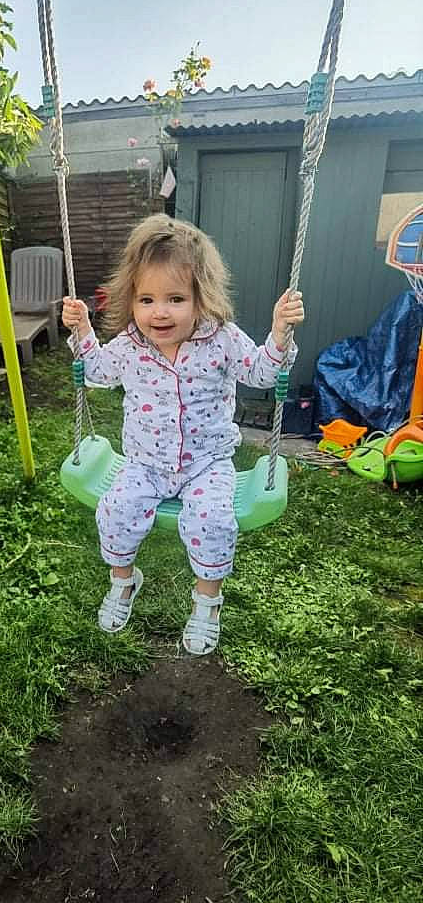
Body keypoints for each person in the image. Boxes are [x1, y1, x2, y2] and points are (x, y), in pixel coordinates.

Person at [61, 214, 304, 655]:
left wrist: (279, 335)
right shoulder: (131, 346)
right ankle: (123, 582)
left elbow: (262, 373)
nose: (160, 312)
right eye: (147, 299)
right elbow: (95, 373)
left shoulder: (222, 340)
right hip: (145, 464)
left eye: (175, 298)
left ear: (200, 298)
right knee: (115, 511)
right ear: (131, 300)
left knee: (211, 521)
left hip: (207, 463)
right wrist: (82, 333)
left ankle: (206, 603)